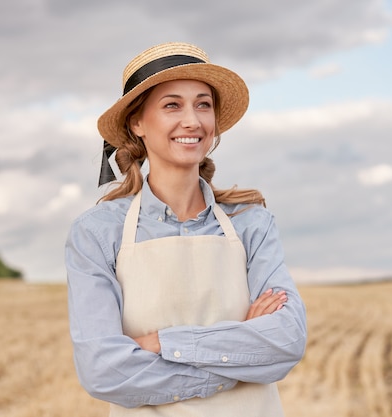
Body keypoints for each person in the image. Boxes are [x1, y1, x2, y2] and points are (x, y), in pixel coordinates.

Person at [65, 42, 307, 416]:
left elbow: (286, 341)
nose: (193, 120)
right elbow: (104, 370)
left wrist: (159, 343)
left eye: (203, 104)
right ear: (137, 123)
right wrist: (238, 364)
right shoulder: (97, 232)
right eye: (172, 105)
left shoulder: (251, 222)